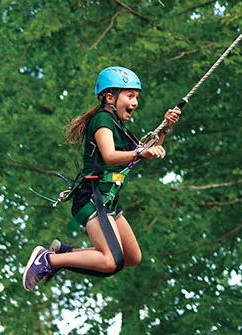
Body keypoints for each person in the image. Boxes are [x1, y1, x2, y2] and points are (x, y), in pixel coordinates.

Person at [22, 66, 181, 291]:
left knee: (131, 257)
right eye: (130, 96)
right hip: (93, 198)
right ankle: (48, 260)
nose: (135, 102)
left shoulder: (118, 125)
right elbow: (110, 155)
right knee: (110, 262)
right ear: (110, 97)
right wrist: (140, 152)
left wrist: (165, 127)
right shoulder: (102, 120)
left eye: (136, 97)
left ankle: (64, 254)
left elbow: (145, 152)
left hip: (109, 200)